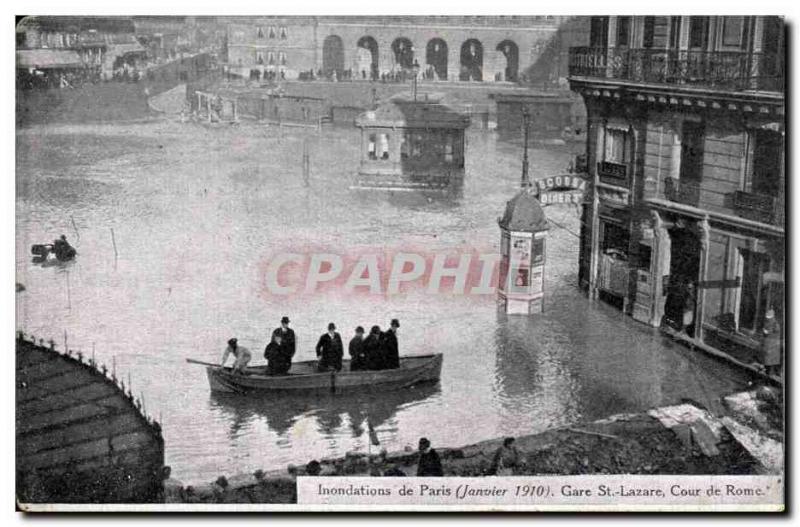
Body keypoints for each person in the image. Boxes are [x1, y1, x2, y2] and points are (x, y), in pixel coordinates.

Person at [761, 309, 782, 377]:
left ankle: (772, 373)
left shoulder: (775, 324)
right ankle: (768, 371)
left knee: (771, 359)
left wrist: (767, 332)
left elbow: (775, 331)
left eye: (768, 316)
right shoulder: (768, 322)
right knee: (768, 358)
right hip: (768, 343)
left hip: (773, 343)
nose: (767, 317)